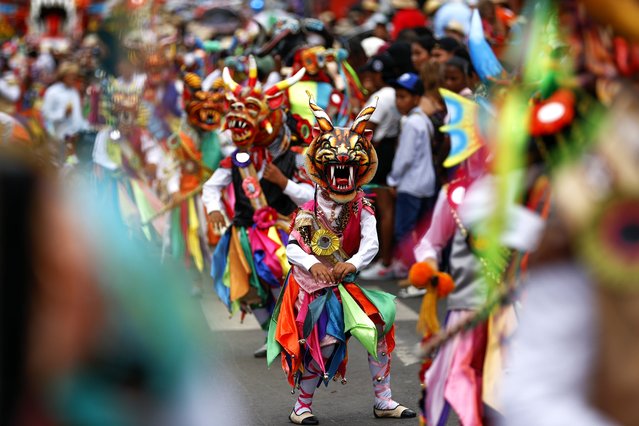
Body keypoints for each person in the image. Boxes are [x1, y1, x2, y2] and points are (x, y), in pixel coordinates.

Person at [267, 96, 416, 425]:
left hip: (343, 285)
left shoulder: (361, 204)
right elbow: (292, 246)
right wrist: (312, 263)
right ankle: (301, 407)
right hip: (314, 289)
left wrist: (355, 262)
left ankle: (384, 400)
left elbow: (371, 241)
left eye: (348, 168)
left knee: (377, 327)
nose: (342, 175)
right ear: (323, 168)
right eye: (336, 168)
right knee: (327, 344)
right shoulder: (312, 206)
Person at [387, 73, 437, 278]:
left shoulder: (411, 123)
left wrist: (393, 180)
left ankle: (413, 271)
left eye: (404, 97)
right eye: (397, 96)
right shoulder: (423, 120)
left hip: (411, 184)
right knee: (422, 231)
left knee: (404, 230)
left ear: (416, 98)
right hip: (426, 182)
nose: (399, 101)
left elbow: (404, 157)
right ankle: (419, 268)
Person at [358, 54, 402, 280]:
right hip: (386, 150)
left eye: (372, 74)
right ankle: (380, 258)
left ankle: (384, 261)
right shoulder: (393, 94)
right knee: (381, 209)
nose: (368, 78)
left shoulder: (382, 96)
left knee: (382, 210)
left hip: (378, 154)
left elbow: (365, 127)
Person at [41, 62, 89, 143]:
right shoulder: (52, 92)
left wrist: (88, 127)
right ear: (64, 75)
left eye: (75, 76)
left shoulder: (74, 92)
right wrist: (63, 113)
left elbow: (78, 117)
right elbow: (46, 115)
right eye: (72, 75)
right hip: (59, 138)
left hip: (75, 137)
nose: (74, 78)